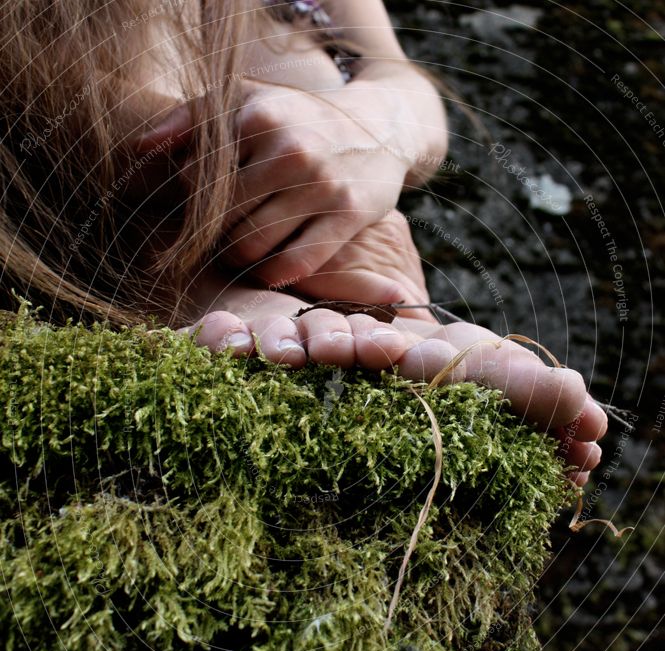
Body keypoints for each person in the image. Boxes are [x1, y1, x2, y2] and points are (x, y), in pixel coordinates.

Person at [0, 0, 605, 483]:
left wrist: (370, 124)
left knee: (280, 51)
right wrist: (213, 160)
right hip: (108, 203)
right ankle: (204, 260)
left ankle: (319, 252)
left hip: (342, 226)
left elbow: (396, 73)